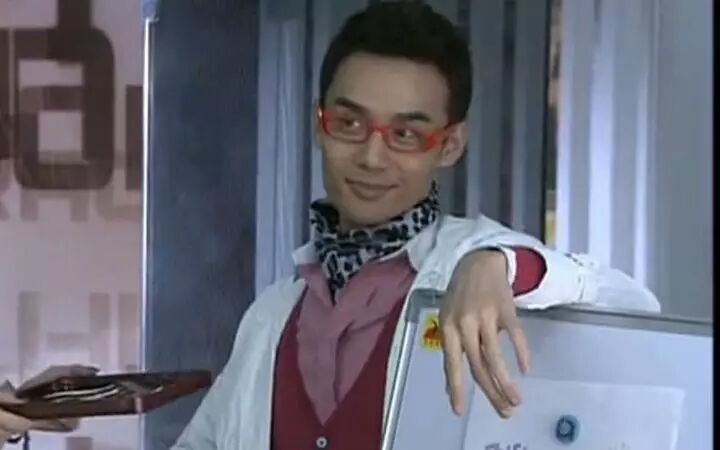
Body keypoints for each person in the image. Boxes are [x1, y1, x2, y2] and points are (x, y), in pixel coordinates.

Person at [0, 2, 658, 449]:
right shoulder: (273, 315)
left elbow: (636, 307)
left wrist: (502, 265)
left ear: (450, 145)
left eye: (407, 134)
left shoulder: (480, 270)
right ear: (320, 123)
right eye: (350, 123)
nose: (372, 156)